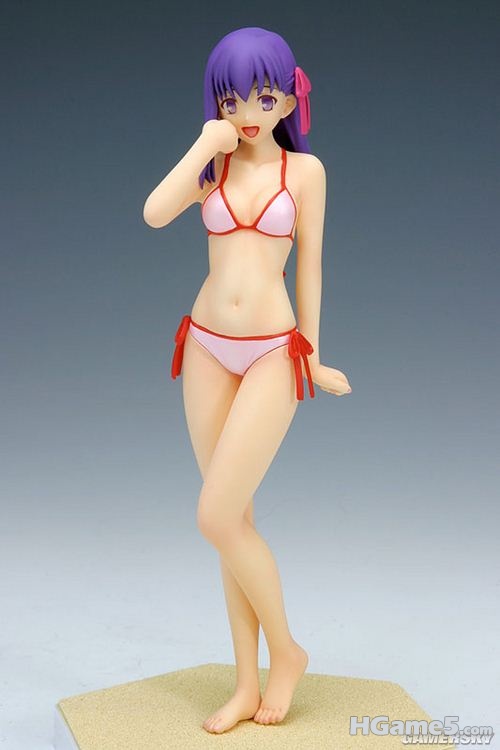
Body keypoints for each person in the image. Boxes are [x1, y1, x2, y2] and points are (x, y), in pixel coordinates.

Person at [143, 26, 352, 735]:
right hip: (205, 347)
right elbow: (154, 213)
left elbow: (310, 265)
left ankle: (286, 651)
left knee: (215, 516)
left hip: (270, 352)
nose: (247, 113)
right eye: (230, 100)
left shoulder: (305, 172)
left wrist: (312, 356)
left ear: (289, 96)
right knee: (233, 522)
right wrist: (205, 144)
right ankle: (244, 683)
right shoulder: (215, 163)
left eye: (263, 97)